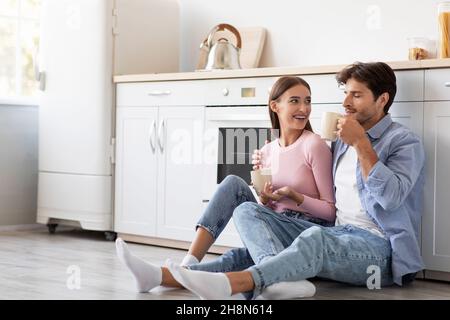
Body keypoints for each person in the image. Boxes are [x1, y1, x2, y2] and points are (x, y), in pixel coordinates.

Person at [155, 61, 425, 300]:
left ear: (382, 99)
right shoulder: (341, 142)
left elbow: (391, 198)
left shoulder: (403, 142)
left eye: (356, 95)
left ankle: (235, 284)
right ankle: (169, 276)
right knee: (248, 217)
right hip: (336, 233)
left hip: (379, 249)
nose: (346, 103)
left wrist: (362, 144)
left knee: (313, 238)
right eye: (345, 94)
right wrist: (270, 196)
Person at [115, 76, 336, 299]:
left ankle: (162, 275)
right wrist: (266, 198)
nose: (303, 108)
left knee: (236, 259)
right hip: (274, 229)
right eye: (295, 101)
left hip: (306, 230)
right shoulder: (268, 150)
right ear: (274, 106)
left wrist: (295, 196)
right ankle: (182, 266)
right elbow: (266, 207)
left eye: (307, 101)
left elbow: (330, 212)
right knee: (233, 184)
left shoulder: (313, 145)